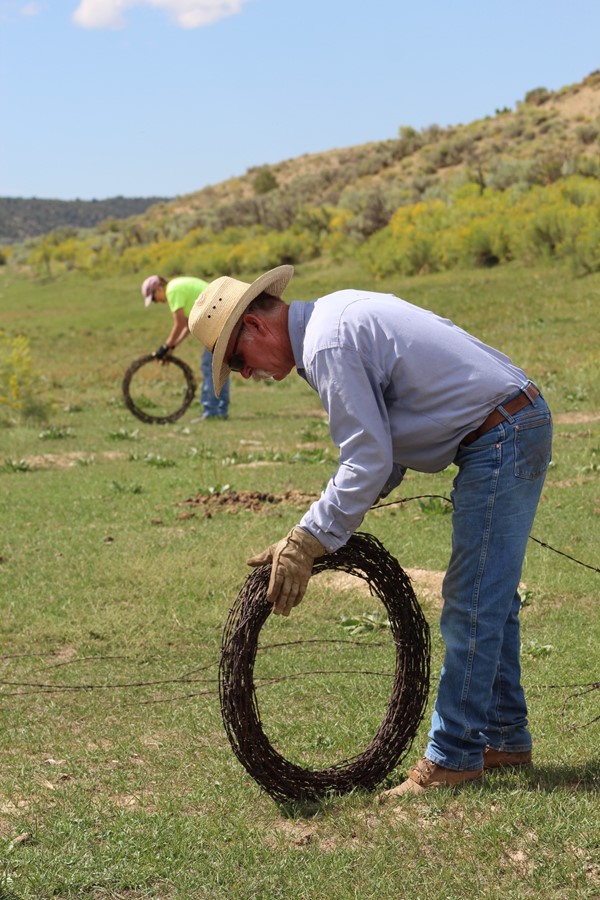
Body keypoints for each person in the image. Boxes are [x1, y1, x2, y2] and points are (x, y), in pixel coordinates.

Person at [187, 265, 553, 797]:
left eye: (238, 361)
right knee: (487, 596)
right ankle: (503, 736)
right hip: (507, 424)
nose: (246, 376)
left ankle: (453, 757)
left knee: (474, 598)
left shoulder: (327, 345)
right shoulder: (331, 322)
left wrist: (310, 538)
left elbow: (367, 456)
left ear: (255, 329)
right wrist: (313, 528)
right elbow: (384, 447)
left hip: (500, 434)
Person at [141, 274, 230, 420]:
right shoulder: (178, 285)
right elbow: (189, 325)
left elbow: (180, 323)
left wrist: (165, 346)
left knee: (210, 366)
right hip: (222, 315)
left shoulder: (173, 291)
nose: (157, 302)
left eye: (154, 299)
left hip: (218, 318)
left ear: (158, 289)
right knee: (217, 366)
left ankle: (213, 412)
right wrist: (172, 347)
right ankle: (220, 409)